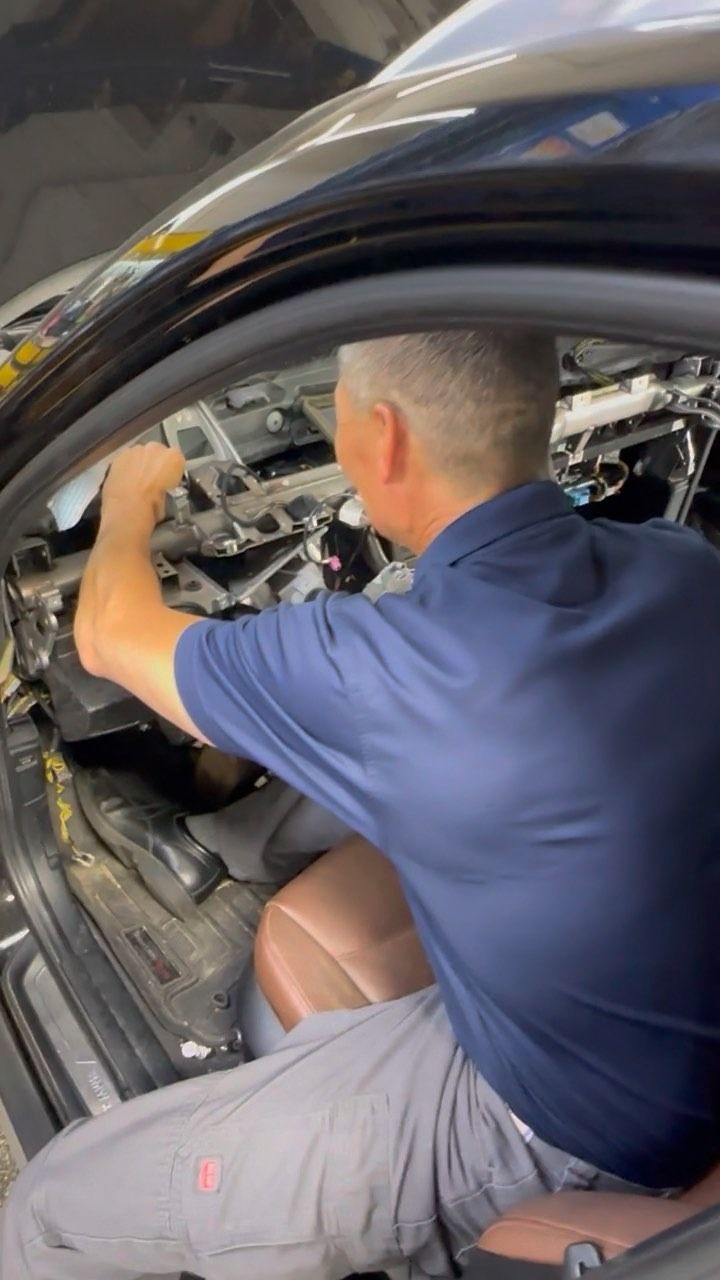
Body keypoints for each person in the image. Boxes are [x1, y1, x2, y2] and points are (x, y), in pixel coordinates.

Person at [3, 327, 720, 1280]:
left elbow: (106, 634)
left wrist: (131, 499)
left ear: (380, 441)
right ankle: (235, 847)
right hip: (670, 1018)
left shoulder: (379, 671)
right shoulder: (681, 566)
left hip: (561, 1129)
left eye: (331, 416)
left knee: (54, 1205)